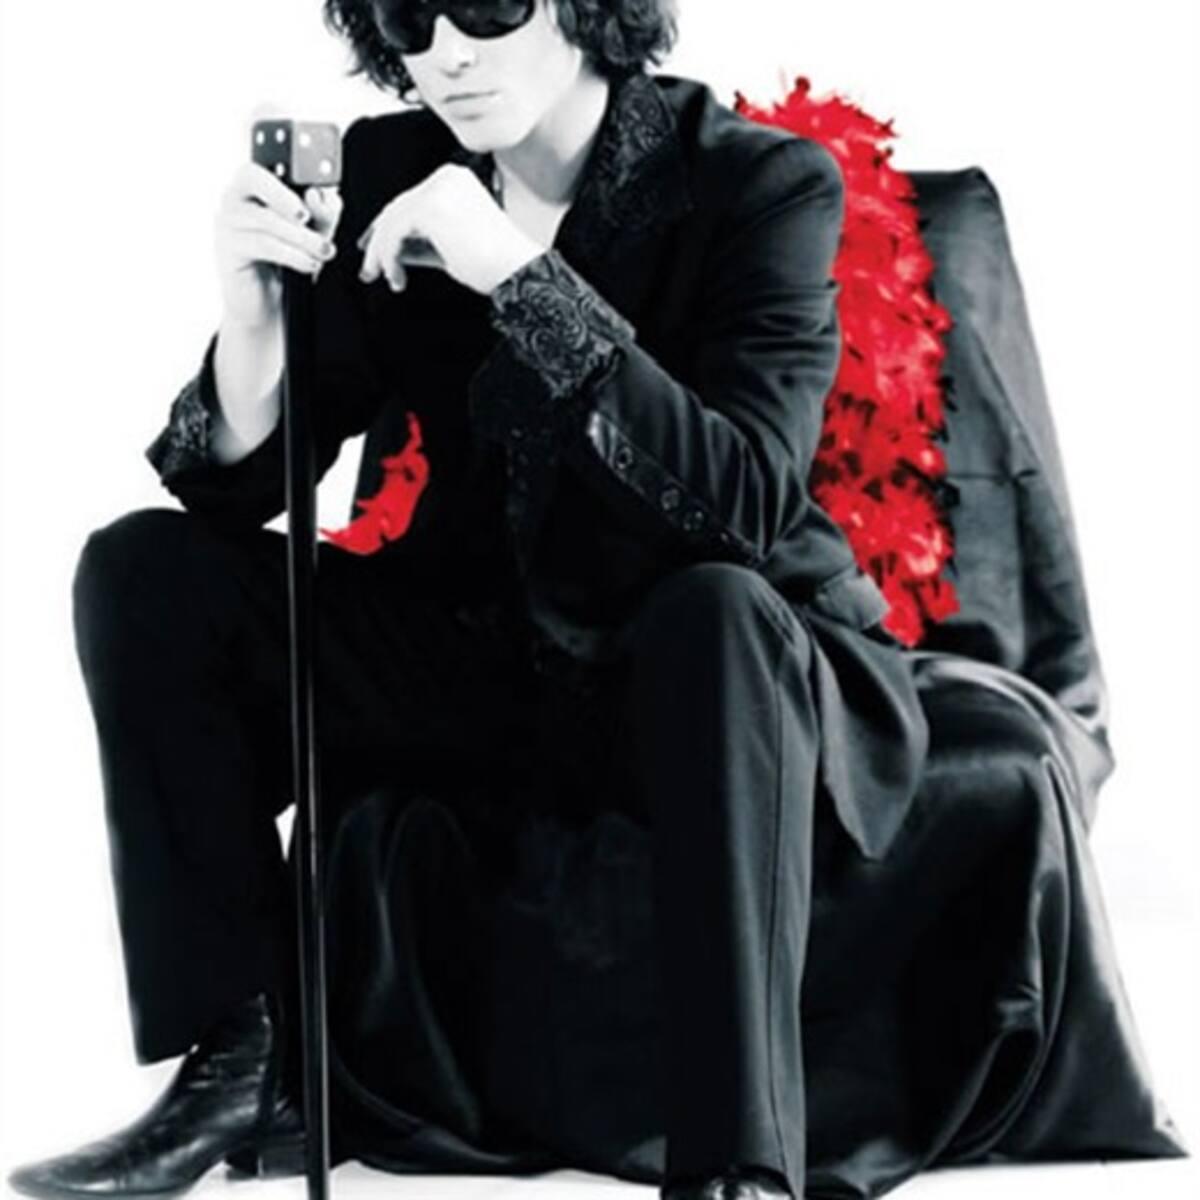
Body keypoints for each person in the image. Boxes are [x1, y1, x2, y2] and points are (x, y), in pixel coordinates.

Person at [7, 2, 930, 1198]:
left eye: (490, 6)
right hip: (487, 654)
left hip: (716, 671)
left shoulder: (760, 184)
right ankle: (247, 1069)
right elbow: (233, 494)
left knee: (713, 610)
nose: (447, 51)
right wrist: (254, 324)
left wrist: (517, 273)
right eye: (408, 13)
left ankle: (734, 1167)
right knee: (146, 572)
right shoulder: (392, 166)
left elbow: (741, 502)